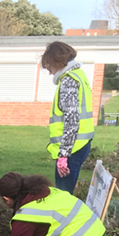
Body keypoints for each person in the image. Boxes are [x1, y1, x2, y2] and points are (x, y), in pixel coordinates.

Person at [41, 41, 94, 195]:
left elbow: (71, 120)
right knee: (66, 194)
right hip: (81, 144)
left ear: (58, 62)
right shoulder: (79, 75)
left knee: (63, 196)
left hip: (72, 148)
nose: (50, 72)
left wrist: (63, 155)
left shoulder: (68, 81)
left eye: (50, 67)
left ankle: (65, 219)